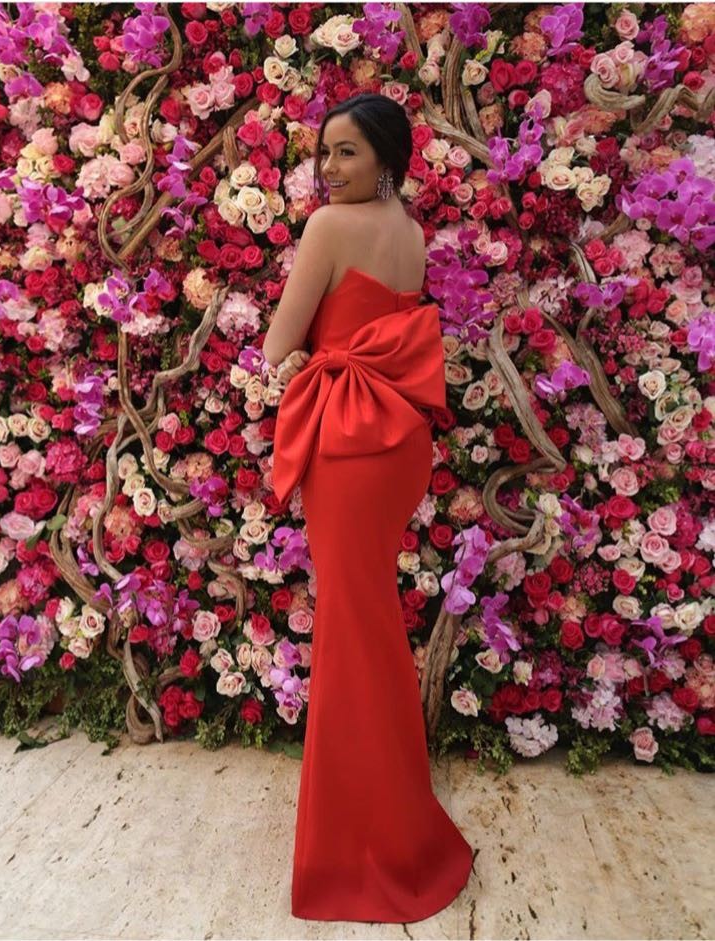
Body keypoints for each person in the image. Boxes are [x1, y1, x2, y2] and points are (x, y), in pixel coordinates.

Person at [264, 92, 474, 924]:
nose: (329, 167)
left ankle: (367, 846)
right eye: (324, 151)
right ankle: (395, 819)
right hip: (398, 444)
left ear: (387, 157)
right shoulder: (410, 232)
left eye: (346, 151)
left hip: (350, 446)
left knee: (353, 631)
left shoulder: (327, 227)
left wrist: (298, 357)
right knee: (370, 623)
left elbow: (279, 343)